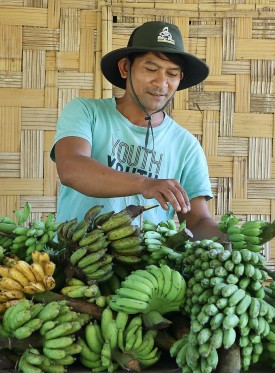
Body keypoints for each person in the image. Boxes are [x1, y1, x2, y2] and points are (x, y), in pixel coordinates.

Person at [50, 21, 224, 240]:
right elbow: (71, 169)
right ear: (125, 68)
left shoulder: (186, 145)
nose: (161, 83)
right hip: (72, 261)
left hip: (146, 272)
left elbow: (197, 219)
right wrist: (145, 184)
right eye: (151, 69)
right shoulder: (86, 112)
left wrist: (228, 241)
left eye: (172, 74)